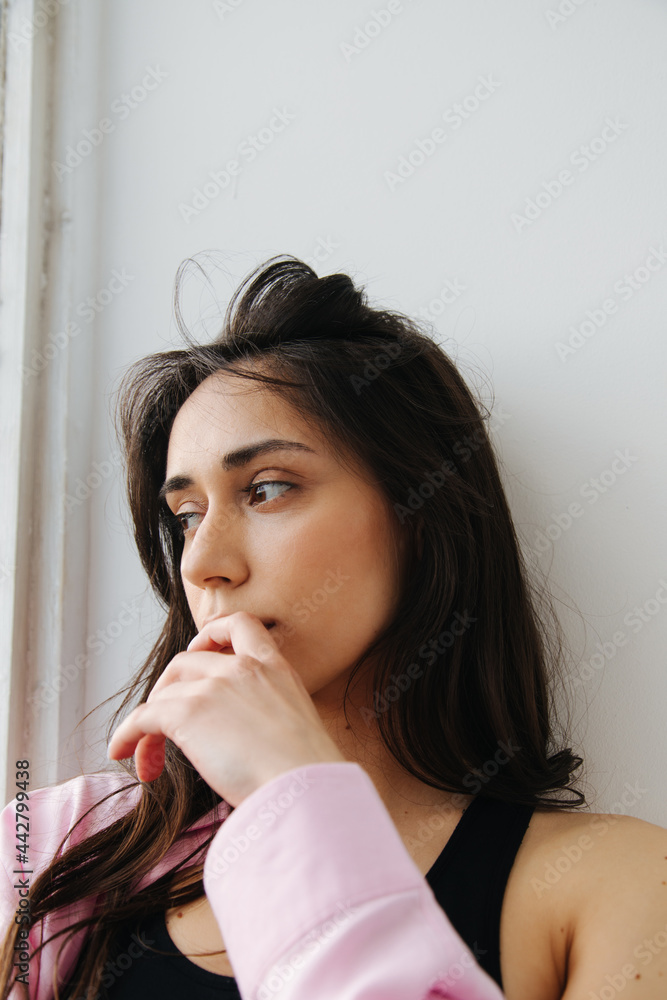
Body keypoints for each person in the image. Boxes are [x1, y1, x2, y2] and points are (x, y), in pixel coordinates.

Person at [1, 255, 666, 1000]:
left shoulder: (617, 885)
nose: (204, 563)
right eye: (187, 515)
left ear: (420, 518)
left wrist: (294, 793)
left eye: (268, 489)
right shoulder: (57, 852)